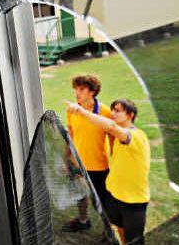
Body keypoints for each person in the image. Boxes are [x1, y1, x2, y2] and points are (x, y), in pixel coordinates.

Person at [66, 99, 150, 245]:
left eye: (118, 110)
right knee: (119, 229)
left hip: (133, 202)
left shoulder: (136, 136)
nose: (112, 113)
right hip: (115, 195)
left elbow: (110, 127)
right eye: (112, 110)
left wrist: (82, 112)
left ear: (130, 115)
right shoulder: (118, 137)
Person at [63, 75, 112, 232]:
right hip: (77, 163)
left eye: (82, 89)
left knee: (101, 201)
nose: (77, 93)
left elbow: (113, 139)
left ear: (92, 91)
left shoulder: (105, 112)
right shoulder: (71, 110)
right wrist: (67, 159)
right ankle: (83, 221)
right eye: (76, 89)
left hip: (98, 166)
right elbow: (70, 135)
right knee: (80, 194)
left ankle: (108, 231)